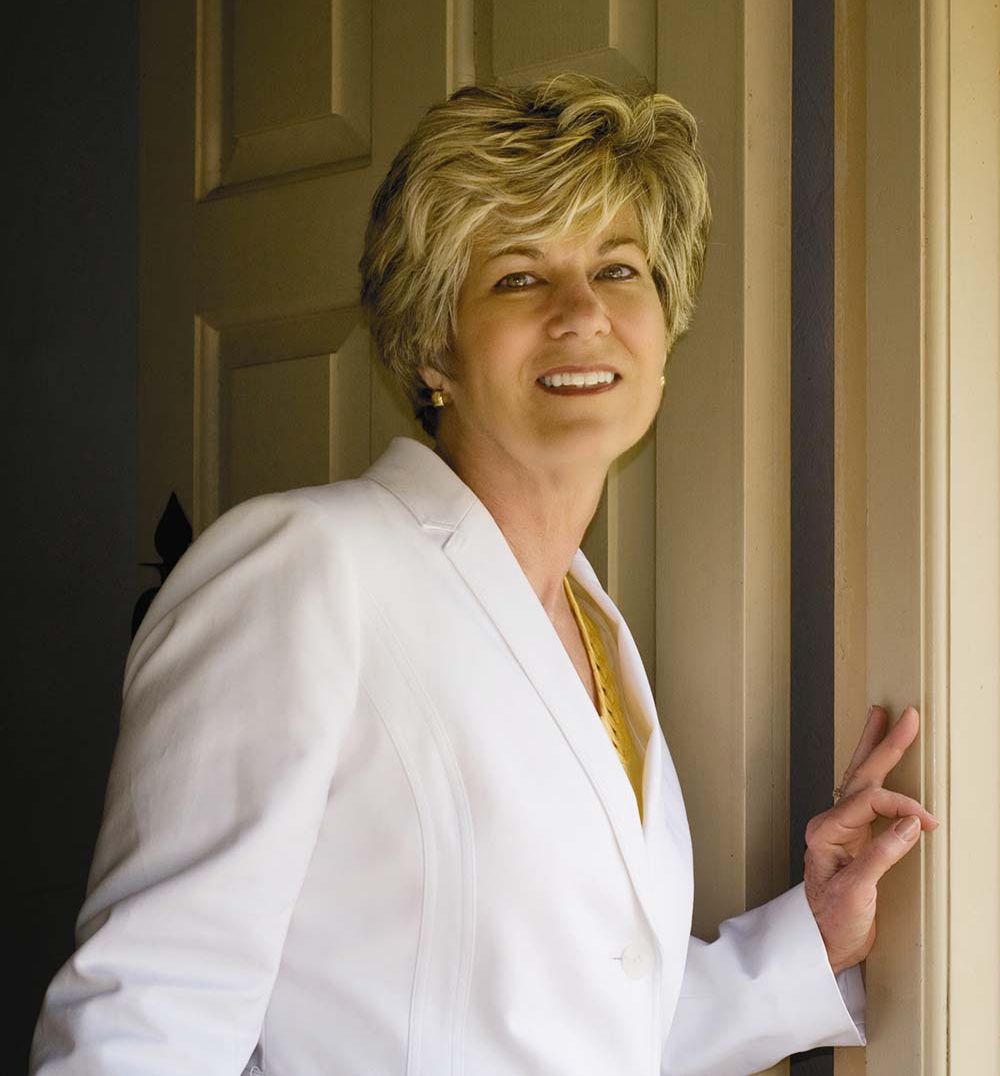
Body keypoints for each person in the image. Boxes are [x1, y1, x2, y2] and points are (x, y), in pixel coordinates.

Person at [31, 74, 937, 1076]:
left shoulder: (590, 626)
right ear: (434, 347)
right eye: (518, 277)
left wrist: (811, 935)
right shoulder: (303, 568)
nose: (583, 312)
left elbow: (585, 1025)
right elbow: (148, 1017)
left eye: (619, 268)